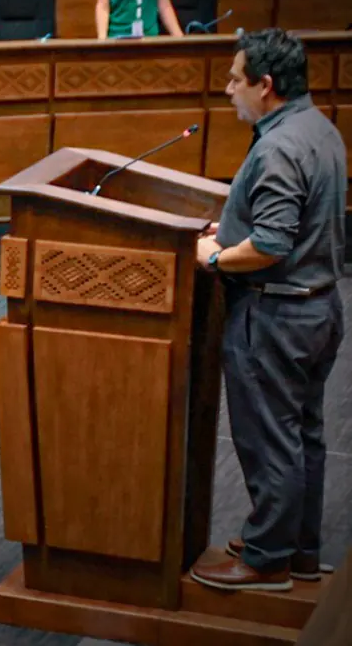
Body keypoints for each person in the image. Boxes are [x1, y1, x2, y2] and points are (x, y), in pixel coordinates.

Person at [191, 29, 347, 592]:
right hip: (318, 309)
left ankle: (265, 560)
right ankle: (299, 550)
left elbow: (272, 245)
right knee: (303, 435)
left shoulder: (280, 145)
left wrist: (215, 256)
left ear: (266, 85)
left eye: (236, 79)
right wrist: (231, 229)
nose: (228, 88)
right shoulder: (317, 127)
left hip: (274, 316)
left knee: (269, 437)